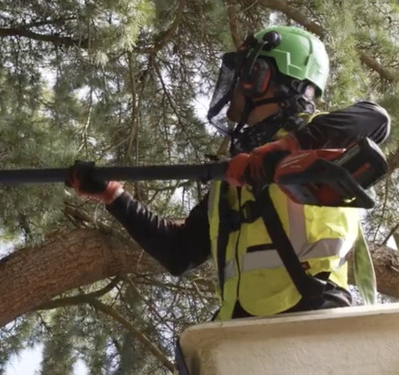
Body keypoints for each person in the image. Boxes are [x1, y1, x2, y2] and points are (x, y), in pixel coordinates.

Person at [66, 25, 391, 322]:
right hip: (241, 332)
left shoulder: (319, 140)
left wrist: (279, 152)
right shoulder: (234, 185)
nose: (232, 85)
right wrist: (112, 195)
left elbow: (376, 119)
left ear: (260, 76)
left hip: (313, 318)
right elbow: (178, 252)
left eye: (241, 73)